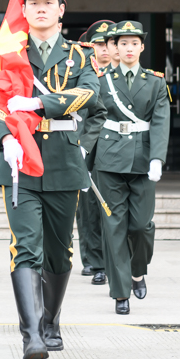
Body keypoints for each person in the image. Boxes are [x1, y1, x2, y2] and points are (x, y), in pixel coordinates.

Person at [0, 0, 106, 359]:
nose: (40, 8)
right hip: (20, 162)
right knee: (26, 247)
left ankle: (50, 320)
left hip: (61, 159)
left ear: (61, 9)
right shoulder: (9, 54)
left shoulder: (80, 55)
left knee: (59, 252)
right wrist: (5, 137)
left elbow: (90, 94)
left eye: (48, 1)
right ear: (23, 9)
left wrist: (40, 103)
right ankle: (31, 336)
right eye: (33, 2)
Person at [93, 21, 170, 315]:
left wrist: (157, 158)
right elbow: (92, 121)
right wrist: (83, 161)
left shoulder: (155, 82)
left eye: (133, 43)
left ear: (141, 47)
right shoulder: (102, 81)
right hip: (109, 159)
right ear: (114, 47)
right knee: (114, 226)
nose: (128, 48)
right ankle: (120, 292)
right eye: (122, 43)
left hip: (143, 158)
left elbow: (161, 121)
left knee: (140, 226)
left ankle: (138, 269)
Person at [75, 19, 116, 285]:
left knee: (113, 202)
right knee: (87, 205)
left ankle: (113, 258)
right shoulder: (80, 74)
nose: (103, 49)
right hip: (86, 144)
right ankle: (93, 259)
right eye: (97, 44)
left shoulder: (121, 75)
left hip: (115, 146)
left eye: (107, 44)